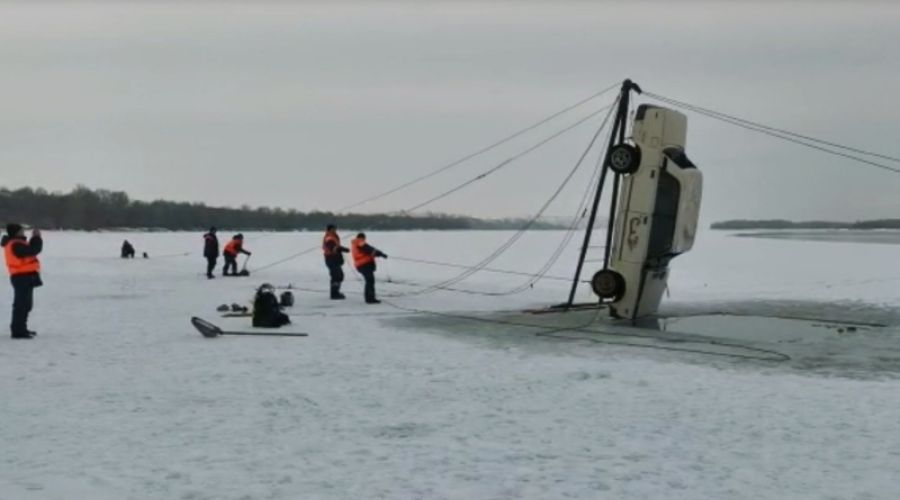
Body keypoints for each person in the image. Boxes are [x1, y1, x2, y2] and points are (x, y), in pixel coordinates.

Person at [2, 224, 43, 339]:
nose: (23, 232)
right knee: (21, 305)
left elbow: (30, 250)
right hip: (21, 277)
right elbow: (33, 250)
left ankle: (21, 328)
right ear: (16, 232)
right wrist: (36, 238)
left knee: (26, 305)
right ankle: (18, 331)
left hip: (25, 276)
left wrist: (34, 239)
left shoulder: (17, 243)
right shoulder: (15, 244)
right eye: (21, 230)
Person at [350, 232, 387, 304]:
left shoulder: (356, 243)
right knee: (370, 281)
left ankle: (369, 298)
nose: (364, 240)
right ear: (362, 237)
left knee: (369, 280)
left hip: (362, 265)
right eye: (364, 238)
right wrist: (379, 253)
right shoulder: (359, 242)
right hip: (364, 264)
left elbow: (369, 249)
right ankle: (370, 298)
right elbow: (368, 249)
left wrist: (379, 253)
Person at [322, 224, 349, 300]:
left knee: (339, 276)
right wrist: (342, 249)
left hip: (335, 259)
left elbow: (335, 247)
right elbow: (332, 247)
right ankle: (334, 294)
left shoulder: (333, 236)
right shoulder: (329, 237)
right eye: (333, 229)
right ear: (330, 229)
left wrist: (341, 249)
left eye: (335, 229)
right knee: (336, 276)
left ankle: (336, 292)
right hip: (331, 259)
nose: (335, 230)